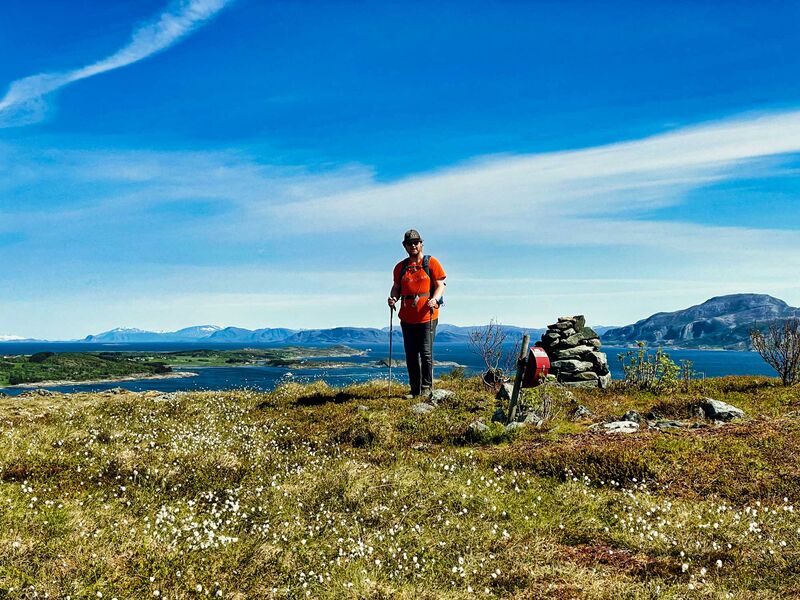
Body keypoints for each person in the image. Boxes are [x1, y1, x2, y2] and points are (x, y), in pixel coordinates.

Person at [388, 229, 446, 398]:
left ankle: (426, 388)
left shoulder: (431, 263)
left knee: (426, 353)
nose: (413, 245)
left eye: (416, 242)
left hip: (427, 315)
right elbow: (396, 288)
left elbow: (440, 285)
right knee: (411, 354)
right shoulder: (400, 267)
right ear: (405, 246)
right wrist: (393, 298)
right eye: (409, 243)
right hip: (407, 317)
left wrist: (434, 299)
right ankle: (415, 390)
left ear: (421, 244)